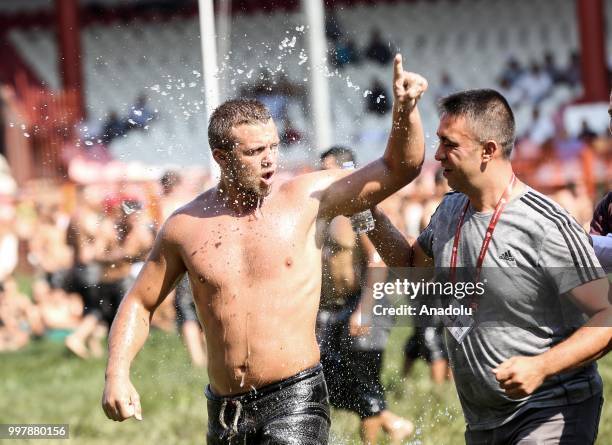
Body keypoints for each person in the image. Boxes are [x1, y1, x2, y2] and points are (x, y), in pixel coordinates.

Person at [102, 54, 428, 445]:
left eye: (273, 146)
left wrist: (405, 111)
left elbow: (399, 169)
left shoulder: (308, 198)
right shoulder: (184, 227)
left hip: (295, 401)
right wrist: (117, 375)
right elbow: (139, 302)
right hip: (224, 412)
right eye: (255, 152)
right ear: (222, 158)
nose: (270, 160)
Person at [366, 89, 612, 444]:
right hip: (483, 420)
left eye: (449, 144)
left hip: (549, 411)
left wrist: (541, 366)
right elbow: (410, 267)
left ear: (488, 150)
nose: (437, 155)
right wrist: (366, 213)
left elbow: (605, 318)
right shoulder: (450, 210)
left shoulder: (544, 224)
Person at [317, 146, 414, 444]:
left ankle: (374, 436)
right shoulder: (324, 211)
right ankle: (391, 422)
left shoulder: (358, 208)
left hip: (366, 300)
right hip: (333, 307)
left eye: (328, 170)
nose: (322, 176)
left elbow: (376, 260)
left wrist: (365, 309)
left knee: (364, 376)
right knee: (321, 376)